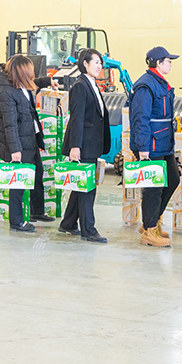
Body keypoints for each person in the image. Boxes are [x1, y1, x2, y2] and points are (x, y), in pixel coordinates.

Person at [57, 49, 110, 244]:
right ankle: (89, 230)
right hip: (84, 145)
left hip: (92, 144)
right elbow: (77, 118)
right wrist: (75, 146)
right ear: (85, 64)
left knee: (81, 185)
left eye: (100, 63)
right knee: (87, 189)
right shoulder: (80, 86)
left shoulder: (92, 85)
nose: (99, 66)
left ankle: (68, 223)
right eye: (96, 62)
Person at [129, 47, 180, 248]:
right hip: (150, 145)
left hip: (163, 143)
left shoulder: (160, 83)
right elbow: (140, 118)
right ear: (158, 63)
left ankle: (151, 221)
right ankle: (149, 231)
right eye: (168, 61)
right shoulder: (146, 85)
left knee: (173, 180)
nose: (171, 64)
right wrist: (143, 147)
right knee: (153, 188)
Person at [0, 55, 45, 233]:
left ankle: (37, 212)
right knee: (18, 183)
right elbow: (10, 124)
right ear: (21, 73)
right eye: (29, 72)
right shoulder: (6, 92)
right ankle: (16, 221)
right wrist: (15, 150)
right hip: (19, 145)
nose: (32, 75)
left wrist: (48, 81)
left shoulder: (21, 86)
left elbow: (35, 83)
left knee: (37, 175)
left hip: (30, 139)